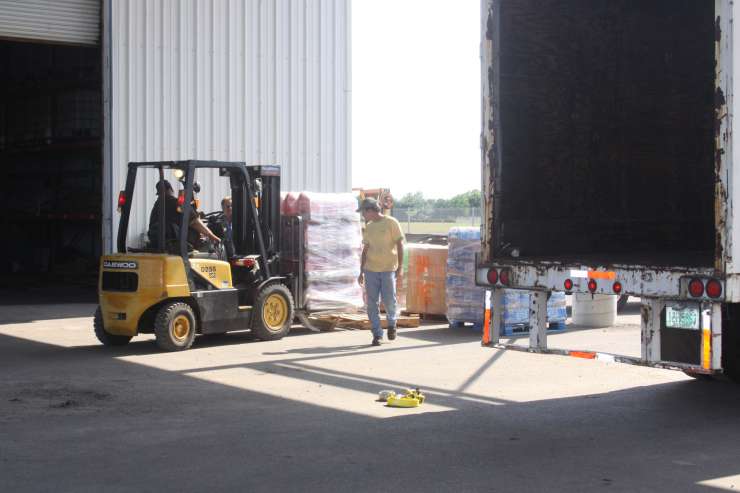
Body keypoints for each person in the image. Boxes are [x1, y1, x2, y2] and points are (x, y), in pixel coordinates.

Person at [357, 197, 405, 346]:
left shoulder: (391, 223)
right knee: (371, 303)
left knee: (389, 300)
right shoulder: (369, 226)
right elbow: (365, 250)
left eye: (363, 212)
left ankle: (392, 323)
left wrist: (400, 266)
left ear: (370, 210)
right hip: (371, 270)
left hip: (388, 269)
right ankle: (377, 334)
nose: (362, 215)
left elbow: (400, 244)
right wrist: (361, 271)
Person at [147, 179, 220, 250]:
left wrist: (196, 213)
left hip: (160, 243)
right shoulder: (171, 201)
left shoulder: (159, 204)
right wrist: (212, 236)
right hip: (172, 245)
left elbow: (182, 214)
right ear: (171, 189)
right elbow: (194, 221)